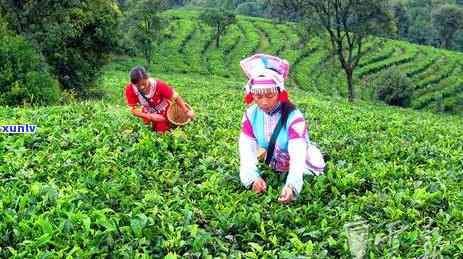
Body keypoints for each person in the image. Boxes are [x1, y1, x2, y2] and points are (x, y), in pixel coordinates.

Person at [239, 54, 325, 204]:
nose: (264, 102)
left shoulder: (294, 117)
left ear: (280, 92)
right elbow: (246, 149)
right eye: (258, 97)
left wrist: (292, 185)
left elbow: (298, 155)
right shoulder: (250, 114)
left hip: (303, 164)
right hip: (274, 164)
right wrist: (252, 178)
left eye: (270, 95)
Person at [124, 66, 195, 133]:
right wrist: (150, 116)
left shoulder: (159, 85)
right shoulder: (130, 89)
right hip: (148, 112)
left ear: (147, 78)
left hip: (164, 110)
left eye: (144, 84)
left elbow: (176, 97)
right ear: (133, 84)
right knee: (148, 131)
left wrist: (186, 111)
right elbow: (133, 109)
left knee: (162, 132)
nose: (142, 87)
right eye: (138, 86)